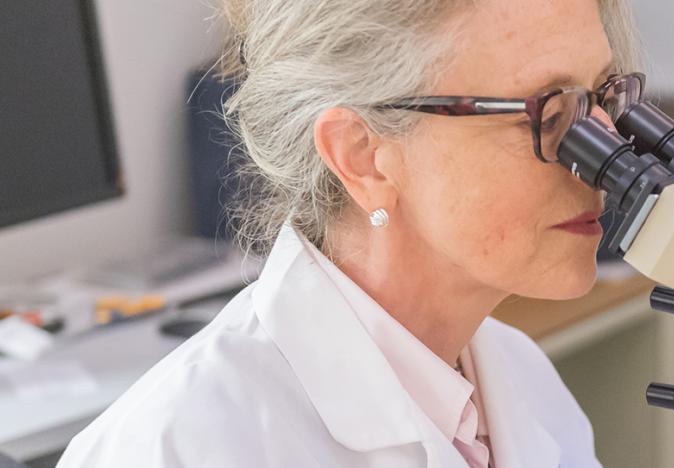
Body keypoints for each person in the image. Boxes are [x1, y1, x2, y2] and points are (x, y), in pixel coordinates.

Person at [57, 0, 642, 466]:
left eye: (605, 95)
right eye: (549, 113)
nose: (604, 155)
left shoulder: (520, 376)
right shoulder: (174, 448)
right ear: (362, 156)